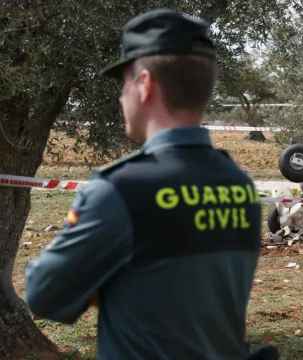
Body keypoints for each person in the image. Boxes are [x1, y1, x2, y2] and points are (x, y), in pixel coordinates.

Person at [25, 9, 272, 360]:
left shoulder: (120, 191)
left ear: (144, 85)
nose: (120, 97)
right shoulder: (240, 185)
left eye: (123, 83)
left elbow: (43, 294)